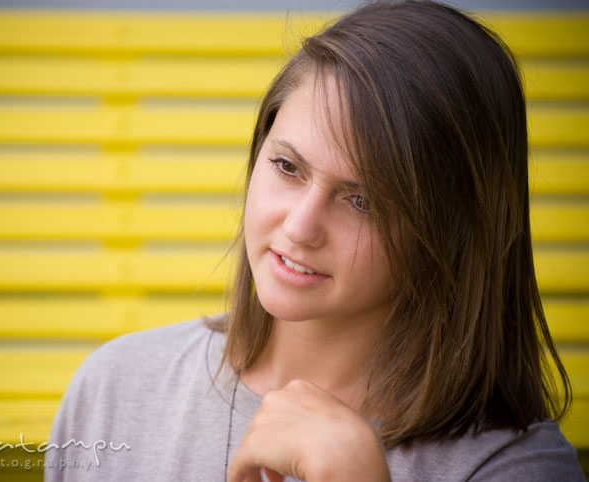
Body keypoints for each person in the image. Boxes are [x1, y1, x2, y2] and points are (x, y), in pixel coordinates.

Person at [44, 1, 586, 481]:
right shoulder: (114, 387)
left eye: (363, 200)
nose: (300, 226)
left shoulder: (514, 468)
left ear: (451, 233)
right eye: (287, 166)